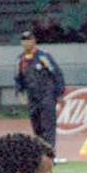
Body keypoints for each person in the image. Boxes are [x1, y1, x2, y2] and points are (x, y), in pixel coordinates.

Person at [14, 30, 67, 163]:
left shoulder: (43, 57)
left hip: (47, 95)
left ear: (34, 41)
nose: (26, 43)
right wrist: (20, 93)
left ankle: (49, 156)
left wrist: (60, 93)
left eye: (29, 39)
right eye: (24, 40)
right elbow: (18, 78)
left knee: (48, 127)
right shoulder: (20, 60)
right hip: (32, 97)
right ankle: (40, 156)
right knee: (36, 127)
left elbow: (56, 74)